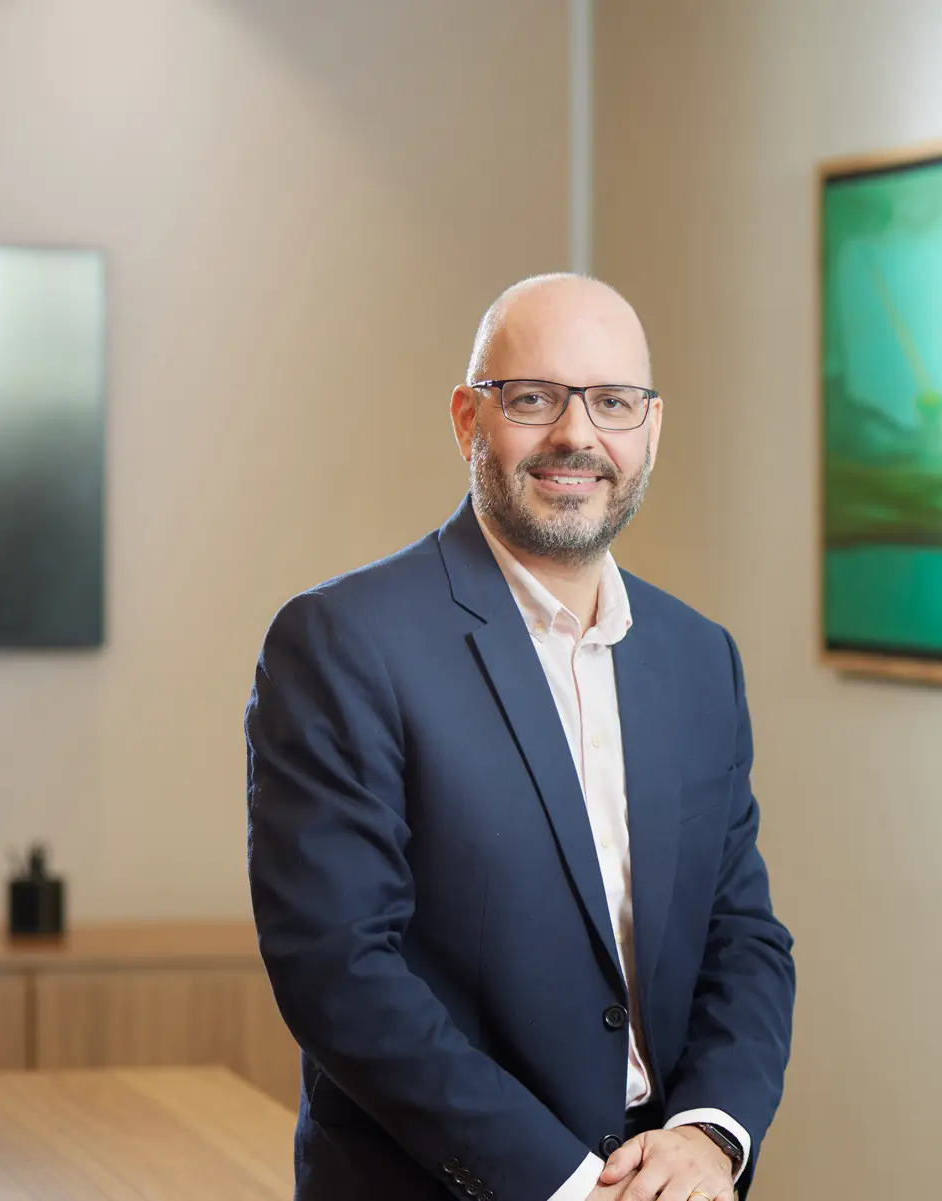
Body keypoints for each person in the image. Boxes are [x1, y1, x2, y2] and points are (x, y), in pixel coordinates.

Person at [245, 274, 795, 1201]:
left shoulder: (701, 658)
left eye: (613, 402)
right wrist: (571, 1185)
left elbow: (742, 937)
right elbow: (340, 971)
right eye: (534, 398)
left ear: (649, 430)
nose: (577, 435)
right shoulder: (343, 641)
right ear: (468, 418)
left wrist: (709, 1134)